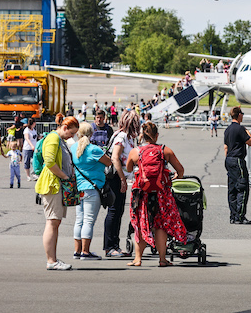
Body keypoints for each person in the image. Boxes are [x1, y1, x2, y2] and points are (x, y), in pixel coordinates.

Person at [126, 121, 187, 267]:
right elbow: (180, 169)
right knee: (160, 225)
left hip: (142, 193)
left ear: (142, 135)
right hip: (161, 193)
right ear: (157, 135)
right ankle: (162, 259)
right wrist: (176, 177)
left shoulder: (136, 152)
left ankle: (138, 259)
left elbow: (128, 168)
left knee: (141, 224)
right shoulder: (165, 150)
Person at [35, 114, 79, 271]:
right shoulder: (54, 139)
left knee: (55, 222)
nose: (72, 137)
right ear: (65, 128)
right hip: (52, 184)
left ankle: (52, 259)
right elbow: (50, 162)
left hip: (56, 184)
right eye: (71, 133)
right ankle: (51, 260)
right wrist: (65, 176)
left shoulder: (59, 139)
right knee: (52, 221)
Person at [72, 121, 112, 261]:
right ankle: (85, 252)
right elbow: (109, 162)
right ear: (92, 133)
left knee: (79, 220)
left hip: (79, 188)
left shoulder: (73, 148)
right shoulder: (94, 149)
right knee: (89, 221)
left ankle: (77, 251)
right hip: (92, 188)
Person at [103, 110, 140, 258]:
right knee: (114, 211)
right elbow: (115, 158)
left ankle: (115, 245)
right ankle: (110, 246)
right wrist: (123, 179)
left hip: (121, 177)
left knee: (118, 211)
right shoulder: (122, 136)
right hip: (116, 178)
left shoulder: (127, 137)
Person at [224, 106, 251, 225]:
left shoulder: (227, 129)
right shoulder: (240, 128)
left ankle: (233, 215)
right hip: (237, 159)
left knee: (232, 188)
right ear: (239, 115)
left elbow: (225, 146)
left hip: (229, 159)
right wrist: (247, 132)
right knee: (242, 187)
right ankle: (240, 216)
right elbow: (250, 141)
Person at [22, 117, 38, 181]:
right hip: (27, 148)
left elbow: (35, 137)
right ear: (33, 123)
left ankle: (34, 174)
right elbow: (27, 138)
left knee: (35, 161)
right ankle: (28, 176)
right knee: (27, 162)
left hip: (34, 147)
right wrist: (31, 145)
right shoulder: (27, 130)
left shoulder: (34, 130)